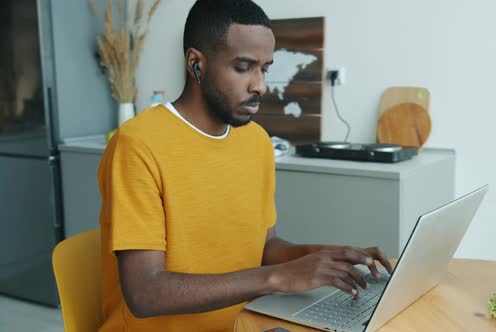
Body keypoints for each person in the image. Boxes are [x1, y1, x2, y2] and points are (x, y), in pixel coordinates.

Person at [97, 0, 393, 331]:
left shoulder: (256, 142)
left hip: (246, 324)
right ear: (197, 64)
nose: (260, 86)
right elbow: (145, 293)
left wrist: (326, 258)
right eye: (243, 67)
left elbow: (265, 248)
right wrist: (276, 277)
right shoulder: (138, 144)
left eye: (264, 69)